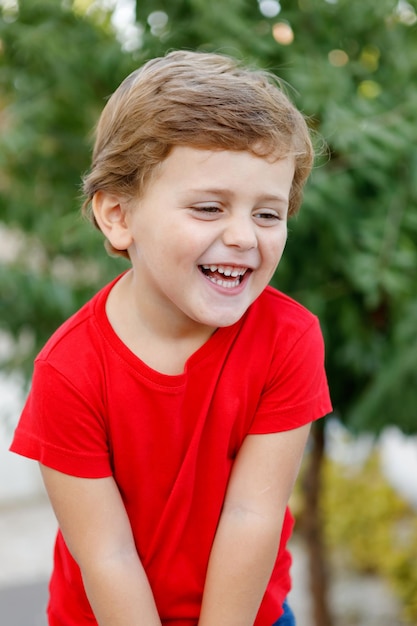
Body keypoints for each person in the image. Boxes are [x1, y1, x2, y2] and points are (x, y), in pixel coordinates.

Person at [10, 50, 332, 626]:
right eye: (209, 207)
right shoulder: (69, 370)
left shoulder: (289, 339)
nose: (243, 237)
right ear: (118, 216)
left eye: (268, 214)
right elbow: (106, 555)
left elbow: (252, 517)